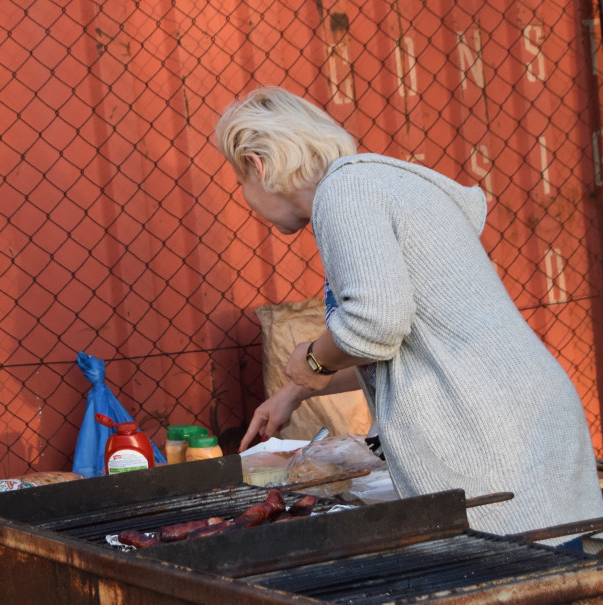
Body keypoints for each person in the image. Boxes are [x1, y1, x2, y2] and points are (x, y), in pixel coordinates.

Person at [218, 86, 603, 544]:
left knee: (513, 578)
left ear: (257, 165)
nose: (245, 198)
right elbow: (395, 346)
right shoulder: (374, 186)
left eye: (237, 179)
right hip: (520, 419)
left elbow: (374, 325)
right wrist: (295, 392)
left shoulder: (344, 191)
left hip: (492, 435)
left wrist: (314, 360)